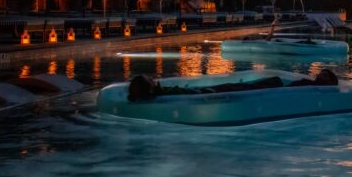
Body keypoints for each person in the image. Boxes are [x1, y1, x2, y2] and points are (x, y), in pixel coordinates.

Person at [128, 69, 340, 101]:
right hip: (209, 92)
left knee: (269, 82)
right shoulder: (164, 92)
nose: (154, 78)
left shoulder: (164, 90)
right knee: (268, 83)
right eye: (150, 80)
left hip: (208, 90)